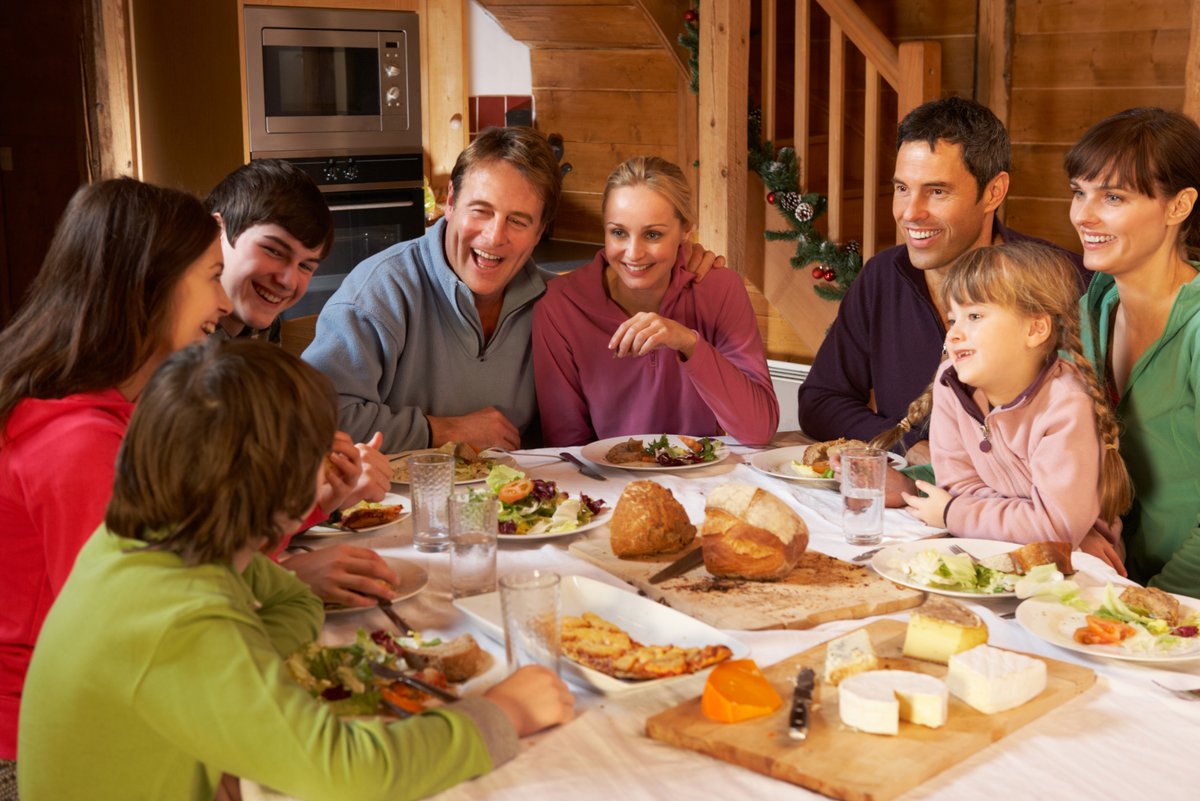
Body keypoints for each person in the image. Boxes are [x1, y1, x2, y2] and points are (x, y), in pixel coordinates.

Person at [17, 339, 574, 801]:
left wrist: (248, 679)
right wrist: (501, 715)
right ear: (281, 484)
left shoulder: (150, 544)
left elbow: (291, 602)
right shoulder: (177, 620)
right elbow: (346, 772)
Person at [0, 178, 236, 789]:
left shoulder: (110, 407)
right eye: (213, 276)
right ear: (154, 287)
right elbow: (142, 633)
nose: (227, 302)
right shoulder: (77, 443)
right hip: (33, 744)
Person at [302, 127, 723, 453]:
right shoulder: (381, 291)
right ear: (450, 202)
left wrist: (683, 256)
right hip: (392, 514)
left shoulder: (552, 304)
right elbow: (312, 419)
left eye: (518, 221)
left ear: (540, 231)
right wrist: (442, 430)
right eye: (480, 211)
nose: (493, 236)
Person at [797, 97, 1087, 458]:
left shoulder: (1065, 280)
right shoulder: (882, 276)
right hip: (907, 505)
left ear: (994, 191)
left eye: (937, 191)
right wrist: (906, 444)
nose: (910, 213)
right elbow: (820, 400)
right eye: (902, 188)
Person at [207, 159, 397, 608]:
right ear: (217, 232)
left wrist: (321, 497)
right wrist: (287, 577)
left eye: (306, 265)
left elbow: (239, 516)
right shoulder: (177, 353)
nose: (288, 280)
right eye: (274, 250)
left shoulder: (255, 327)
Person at [873, 242, 1130, 553]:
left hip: (1075, 566)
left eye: (975, 316)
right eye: (953, 319)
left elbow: (1056, 529)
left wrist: (953, 514)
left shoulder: (1065, 404)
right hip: (986, 547)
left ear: (1035, 329)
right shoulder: (949, 385)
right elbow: (958, 487)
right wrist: (1027, 520)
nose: (953, 334)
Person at [533, 156, 778, 445]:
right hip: (607, 484)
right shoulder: (560, 306)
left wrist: (688, 342)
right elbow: (567, 445)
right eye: (618, 233)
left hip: (702, 481)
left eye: (652, 234)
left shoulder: (719, 289)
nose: (633, 253)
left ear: (686, 230)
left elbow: (759, 429)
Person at [1070, 107, 1200, 595]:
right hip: (1113, 587)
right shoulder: (1093, 307)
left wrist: (1154, 608)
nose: (1084, 215)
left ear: (1178, 205)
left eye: (1113, 197)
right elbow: (1037, 434)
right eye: (1079, 193)